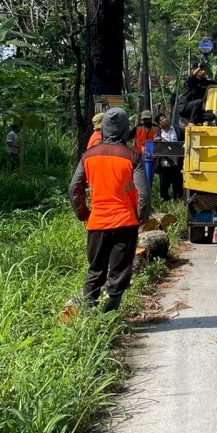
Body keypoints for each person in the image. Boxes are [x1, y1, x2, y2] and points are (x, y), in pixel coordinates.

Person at [68, 107, 150, 313]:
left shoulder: (88, 156)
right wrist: (141, 216)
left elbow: (74, 188)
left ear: (103, 128)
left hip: (97, 223)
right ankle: (109, 315)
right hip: (125, 223)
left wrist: (84, 213)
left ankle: (87, 315)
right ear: (124, 129)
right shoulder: (132, 156)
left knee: (96, 270)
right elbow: (144, 193)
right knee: (119, 272)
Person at [155, 112, 184, 201]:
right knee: (164, 178)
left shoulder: (177, 129)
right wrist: (156, 140)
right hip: (165, 159)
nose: (165, 119)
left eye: (165, 117)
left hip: (177, 159)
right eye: (162, 119)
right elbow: (155, 146)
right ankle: (165, 198)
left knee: (177, 178)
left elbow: (185, 138)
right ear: (159, 124)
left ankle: (178, 197)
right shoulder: (158, 133)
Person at [133, 109, 159, 185]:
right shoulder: (138, 127)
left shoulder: (156, 128)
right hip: (139, 155)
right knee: (139, 175)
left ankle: (149, 191)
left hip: (152, 156)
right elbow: (129, 135)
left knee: (150, 174)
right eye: (143, 119)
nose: (145, 121)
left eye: (147, 119)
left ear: (150, 119)